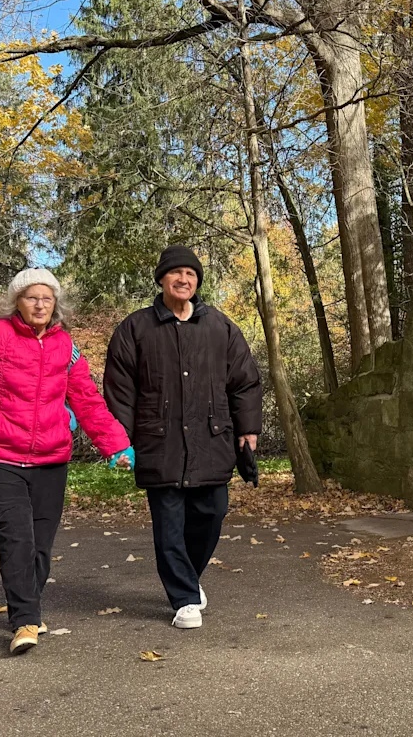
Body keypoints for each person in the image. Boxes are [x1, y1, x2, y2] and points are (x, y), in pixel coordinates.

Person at [0, 268, 133, 655]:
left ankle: (26, 603)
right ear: (16, 302)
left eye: (46, 297)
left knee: (41, 546)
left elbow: (88, 402)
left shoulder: (66, 347)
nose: (39, 304)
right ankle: (24, 620)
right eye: (30, 297)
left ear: (55, 303)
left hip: (50, 459)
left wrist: (116, 446)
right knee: (16, 539)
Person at [103, 245, 262, 630]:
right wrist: (119, 440)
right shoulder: (136, 328)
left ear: (197, 281)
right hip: (159, 443)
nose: (183, 280)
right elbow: (120, 389)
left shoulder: (220, 327)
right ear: (161, 279)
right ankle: (185, 598)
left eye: (191, 274)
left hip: (212, 440)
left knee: (212, 514)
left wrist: (248, 429)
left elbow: (245, 382)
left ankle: (187, 577)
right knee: (169, 526)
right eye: (176, 273)